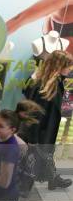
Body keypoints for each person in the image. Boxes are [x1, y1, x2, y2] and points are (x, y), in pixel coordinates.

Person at [23, 50, 73, 189]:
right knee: (35, 158)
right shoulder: (45, 87)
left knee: (47, 155)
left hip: (50, 129)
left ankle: (53, 179)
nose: (70, 69)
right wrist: (33, 139)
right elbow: (34, 115)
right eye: (68, 66)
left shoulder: (57, 82)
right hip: (42, 131)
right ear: (58, 67)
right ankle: (24, 187)